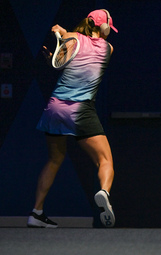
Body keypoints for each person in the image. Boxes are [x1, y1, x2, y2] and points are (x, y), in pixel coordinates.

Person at [27, 9, 118, 228]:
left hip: (55, 107)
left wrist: (59, 31)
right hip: (81, 111)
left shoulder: (72, 38)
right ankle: (104, 192)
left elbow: (65, 54)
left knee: (55, 159)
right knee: (104, 160)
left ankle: (36, 213)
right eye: (108, 28)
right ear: (105, 28)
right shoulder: (109, 49)